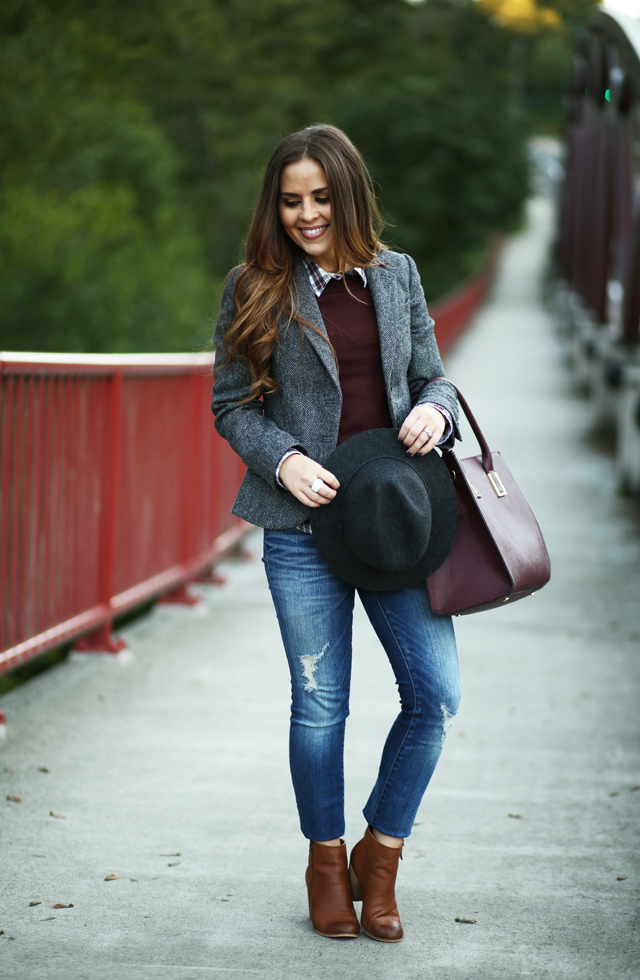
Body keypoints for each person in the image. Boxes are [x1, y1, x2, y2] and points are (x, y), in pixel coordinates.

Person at [211, 124, 461, 943]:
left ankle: (378, 855)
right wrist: (280, 460)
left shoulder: (398, 277)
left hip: (394, 519)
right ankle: (325, 864)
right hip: (300, 524)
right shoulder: (253, 285)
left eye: (320, 198)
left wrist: (435, 408)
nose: (306, 215)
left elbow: (431, 373)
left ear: (348, 194)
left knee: (436, 695)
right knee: (320, 704)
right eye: (291, 202)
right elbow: (230, 404)